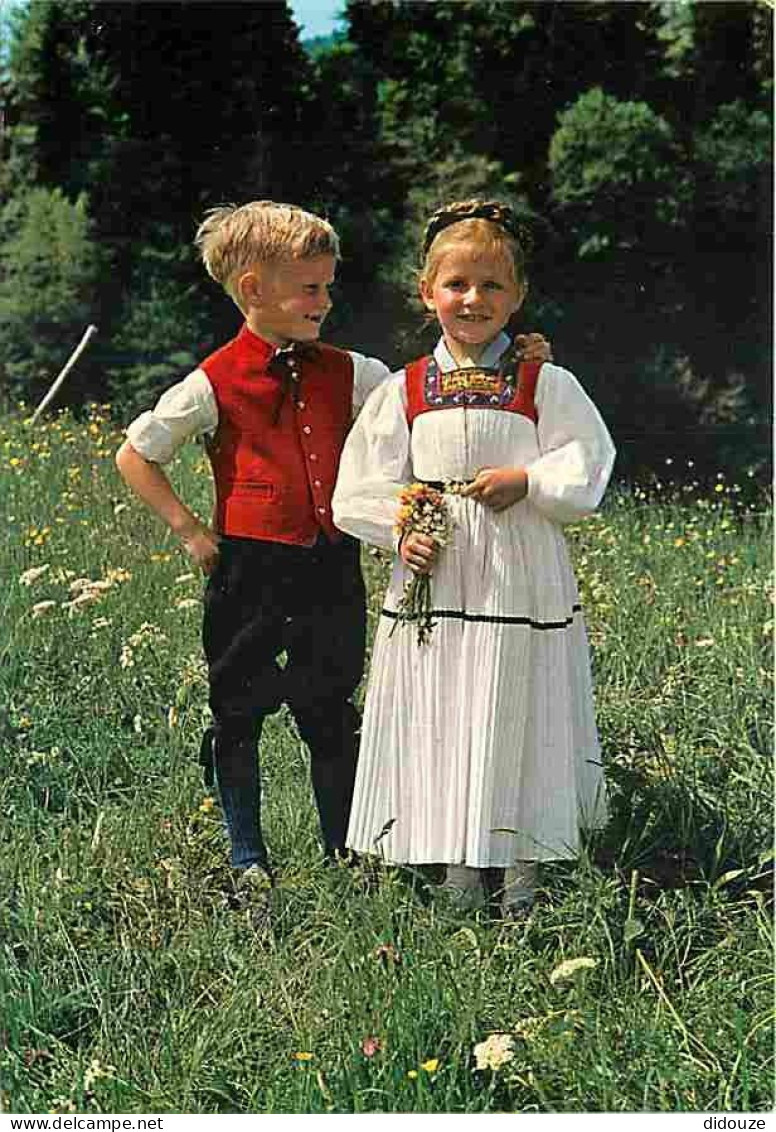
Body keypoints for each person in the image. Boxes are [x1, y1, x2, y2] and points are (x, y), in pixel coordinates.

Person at [115, 197, 556, 892]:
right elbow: (136, 455)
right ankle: (247, 855)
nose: (326, 300)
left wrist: (518, 360)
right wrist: (190, 530)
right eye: (312, 288)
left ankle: (343, 851)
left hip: (329, 565)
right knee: (238, 710)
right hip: (249, 568)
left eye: (327, 285)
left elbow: (435, 397)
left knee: (329, 707)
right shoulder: (213, 380)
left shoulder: (356, 372)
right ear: (255, 290)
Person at [332, 199, 616, 917]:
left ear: (517, 296)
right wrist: (399, 529)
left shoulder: (545, 383)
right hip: (439, 579)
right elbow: (358, 485)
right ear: (428, 293)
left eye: (492, 286)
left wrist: (528, 480)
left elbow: (588, 462)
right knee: (446, 711)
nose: (474, 299)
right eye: (457, 284)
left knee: (518, 707)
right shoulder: (403, 390)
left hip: (517, 577)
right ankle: (457, 871)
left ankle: (522, 874)